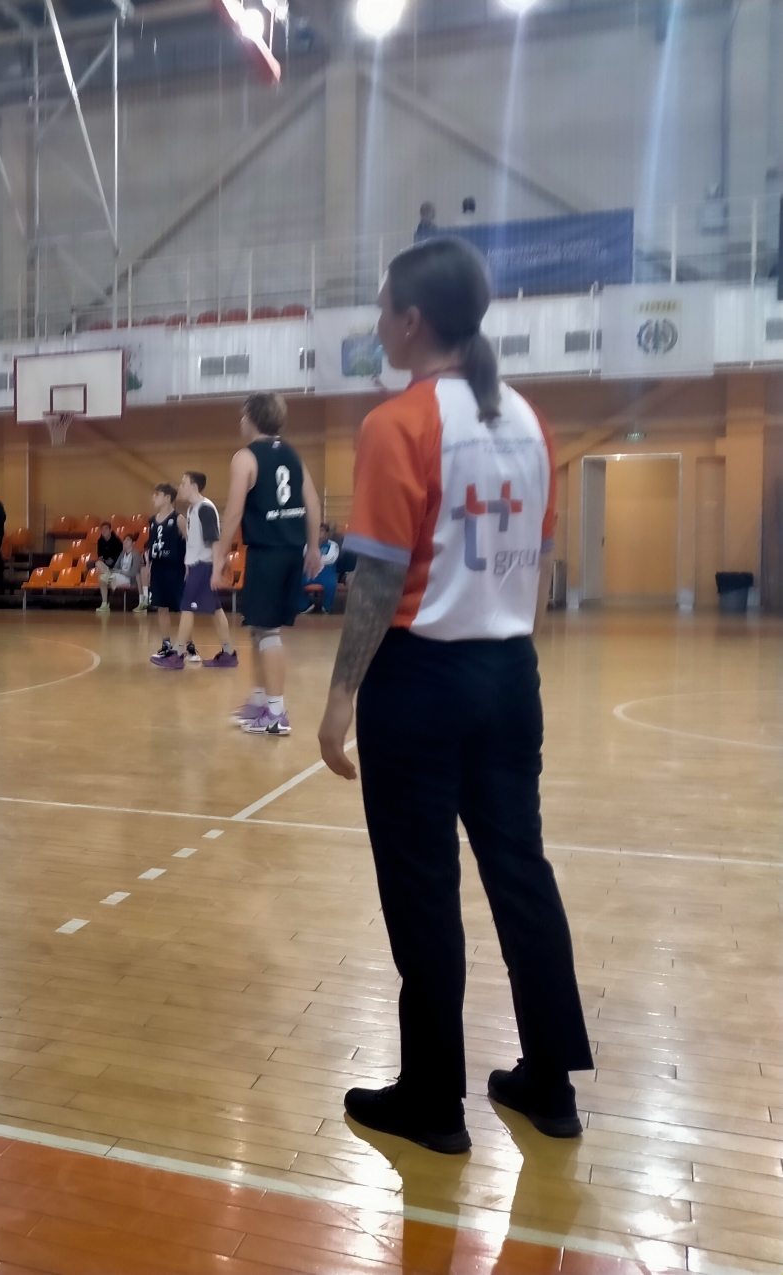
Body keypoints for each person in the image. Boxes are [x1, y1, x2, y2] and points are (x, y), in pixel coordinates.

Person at [316, 236, 591, 1155]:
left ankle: (434, 1101)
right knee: (522, 872)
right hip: (509, 674)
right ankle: (550, 1082)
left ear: (410, 321)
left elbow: (376, 578)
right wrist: (508, 651)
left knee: (424, 888)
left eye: (382, 308)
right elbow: (539, 562)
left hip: (420, 680)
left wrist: (341, 697)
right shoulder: (529, 419)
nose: (376, 322)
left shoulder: (396, 425)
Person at [215, 393, 323, 736]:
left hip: (268, 552)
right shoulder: (292, 454)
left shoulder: (245, 457)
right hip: (290, 550)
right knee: (259, 628)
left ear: (251, 417)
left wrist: (220, 555)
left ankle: (276, 713)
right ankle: (260, 701)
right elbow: (313, 503)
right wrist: (313, 548)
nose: (240, 420)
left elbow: (234, 511)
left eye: (242, 415)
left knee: (268, 632)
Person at [175, 472, 239, 668]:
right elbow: (195, 541)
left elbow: (214, 541)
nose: (180, 486)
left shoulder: (205, 508)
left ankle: (177, 654)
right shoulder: (193, 509)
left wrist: (215, 571)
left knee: (187, 607)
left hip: (204, 566)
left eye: (183, 483)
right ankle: (228, 652)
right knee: (216, 610)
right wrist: (188, 562)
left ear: (194, 486)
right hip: (197, 565)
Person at [142, 484, 188, 667]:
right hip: (158, 567)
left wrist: (188, 565)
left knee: (182, 608)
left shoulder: (178, 519)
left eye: (157, 495)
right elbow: (150, 545)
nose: (153, 498)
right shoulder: (152, 520)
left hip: (175, 568)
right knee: (161, 607)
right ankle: (166, 644)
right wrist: (148, 567)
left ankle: (188, 645)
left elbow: (189, 542)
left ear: (168, 497)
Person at [302, 524, 340, 614]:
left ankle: (326, 607)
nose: (319, 533)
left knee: (331, 585)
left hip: (327, 573)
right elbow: (305, 556)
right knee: (300, 582)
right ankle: (305, 606)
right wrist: (315, 559)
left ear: (327, 534)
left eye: (322, 530)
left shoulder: (333, 545)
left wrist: (314, 559)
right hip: (311, 572)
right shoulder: (309, 544)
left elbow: (330, 559)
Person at [92, 521, 129, 613]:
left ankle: (105, 602)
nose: (104, 531)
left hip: (116, 567)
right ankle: (104, 603)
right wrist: (103, 559)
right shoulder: (100, 541)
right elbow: (100, 556)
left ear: (110, 530)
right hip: (106, 566)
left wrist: (112, 560)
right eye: (102, 529)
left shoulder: (117, 541)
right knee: (98, 563)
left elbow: (121, 557)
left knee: (101, 578)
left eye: (106, 529)